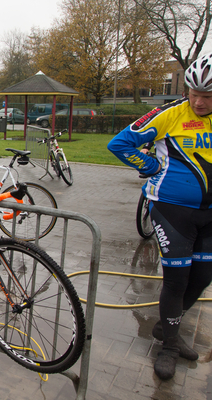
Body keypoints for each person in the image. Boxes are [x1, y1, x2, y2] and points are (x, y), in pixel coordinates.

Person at [108, 52, 212, 380]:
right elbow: (120, 144)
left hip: (208, 213)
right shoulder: (170, 114)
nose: (199, 101)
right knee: (177, 280)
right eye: (194, 93)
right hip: (170, 209)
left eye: (207, 96)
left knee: (203, 276)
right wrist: (152, 166)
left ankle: (167, 328)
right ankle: (169, 345)